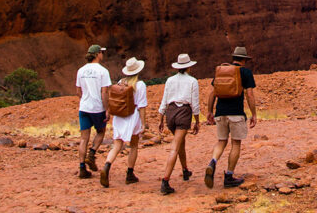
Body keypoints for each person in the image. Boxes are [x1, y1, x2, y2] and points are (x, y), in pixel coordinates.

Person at [204, 46, 257, 189]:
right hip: (236, 114)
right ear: (244, 60)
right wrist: (254, 114)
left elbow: (212, 93)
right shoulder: (245, 72)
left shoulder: (221, 72)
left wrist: (209, 111)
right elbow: (249, 95)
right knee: (235, 144)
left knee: (221, 141)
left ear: (233, 58)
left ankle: (213, 162)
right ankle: (229, 176)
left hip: (220, 113)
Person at [100, 57, 148, 187]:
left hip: (119, 117)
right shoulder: (140, 85)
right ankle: (129, 174)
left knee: (117, 145)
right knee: (133, 146)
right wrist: (143, 124)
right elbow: (142, 106)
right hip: (133, 118)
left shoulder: (121, 82)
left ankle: (106, 166)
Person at [156, 53, 201, 195]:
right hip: (184, 114)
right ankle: (165, 181)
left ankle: (185, 170)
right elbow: (195, 103)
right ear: (189, 67)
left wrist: (160, 118)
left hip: (170, 113)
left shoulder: (169, 80)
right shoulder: (193, 81)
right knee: (175, 147)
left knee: (180, 142)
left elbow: (164, 100)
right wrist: (197, 121)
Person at [75, 44, 112, 178]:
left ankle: (82, 169)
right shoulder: (103, 71)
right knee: (101, 132)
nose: (102, 54)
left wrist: (85, 100)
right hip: (97, 108)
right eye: (102, 52)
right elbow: (104, 93)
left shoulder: (81, 70)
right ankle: (91, 154)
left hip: (84, 107)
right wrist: (107, 109)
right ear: (97, 54)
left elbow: (78, 91)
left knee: (84, 138)